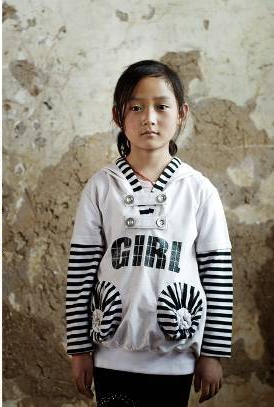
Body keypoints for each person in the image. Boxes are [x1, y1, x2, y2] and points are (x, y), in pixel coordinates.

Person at [65, 60, 233, 405]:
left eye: (161, 106)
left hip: (176, 358)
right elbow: (81, 271)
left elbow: (217, 276)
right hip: (111, 354)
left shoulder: (199, 190)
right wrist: (79, 349)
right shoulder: (101, 188)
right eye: (136, 108)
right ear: (118, 116)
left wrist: (212, 354)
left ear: (181, 112)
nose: (149, 118)